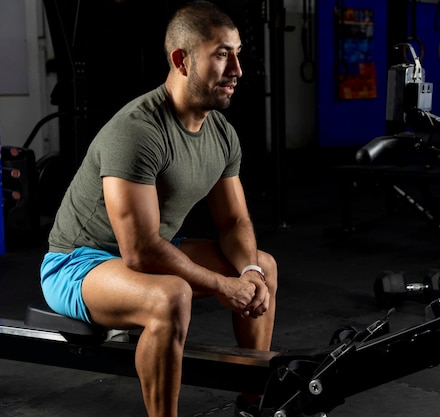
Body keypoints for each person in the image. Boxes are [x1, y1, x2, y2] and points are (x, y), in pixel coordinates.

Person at [39, 1, 276, 416]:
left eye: (238, 53)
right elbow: (140, 251)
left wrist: (249, 273)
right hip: (79, 263)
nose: (237, 70)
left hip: (152, 249)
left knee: (263, 268)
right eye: (222, 54)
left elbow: (234, 220)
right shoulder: (138, 131)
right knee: (170, 296)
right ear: (182, 60)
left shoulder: (220, 132)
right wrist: (224, 286)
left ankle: (252, 404)